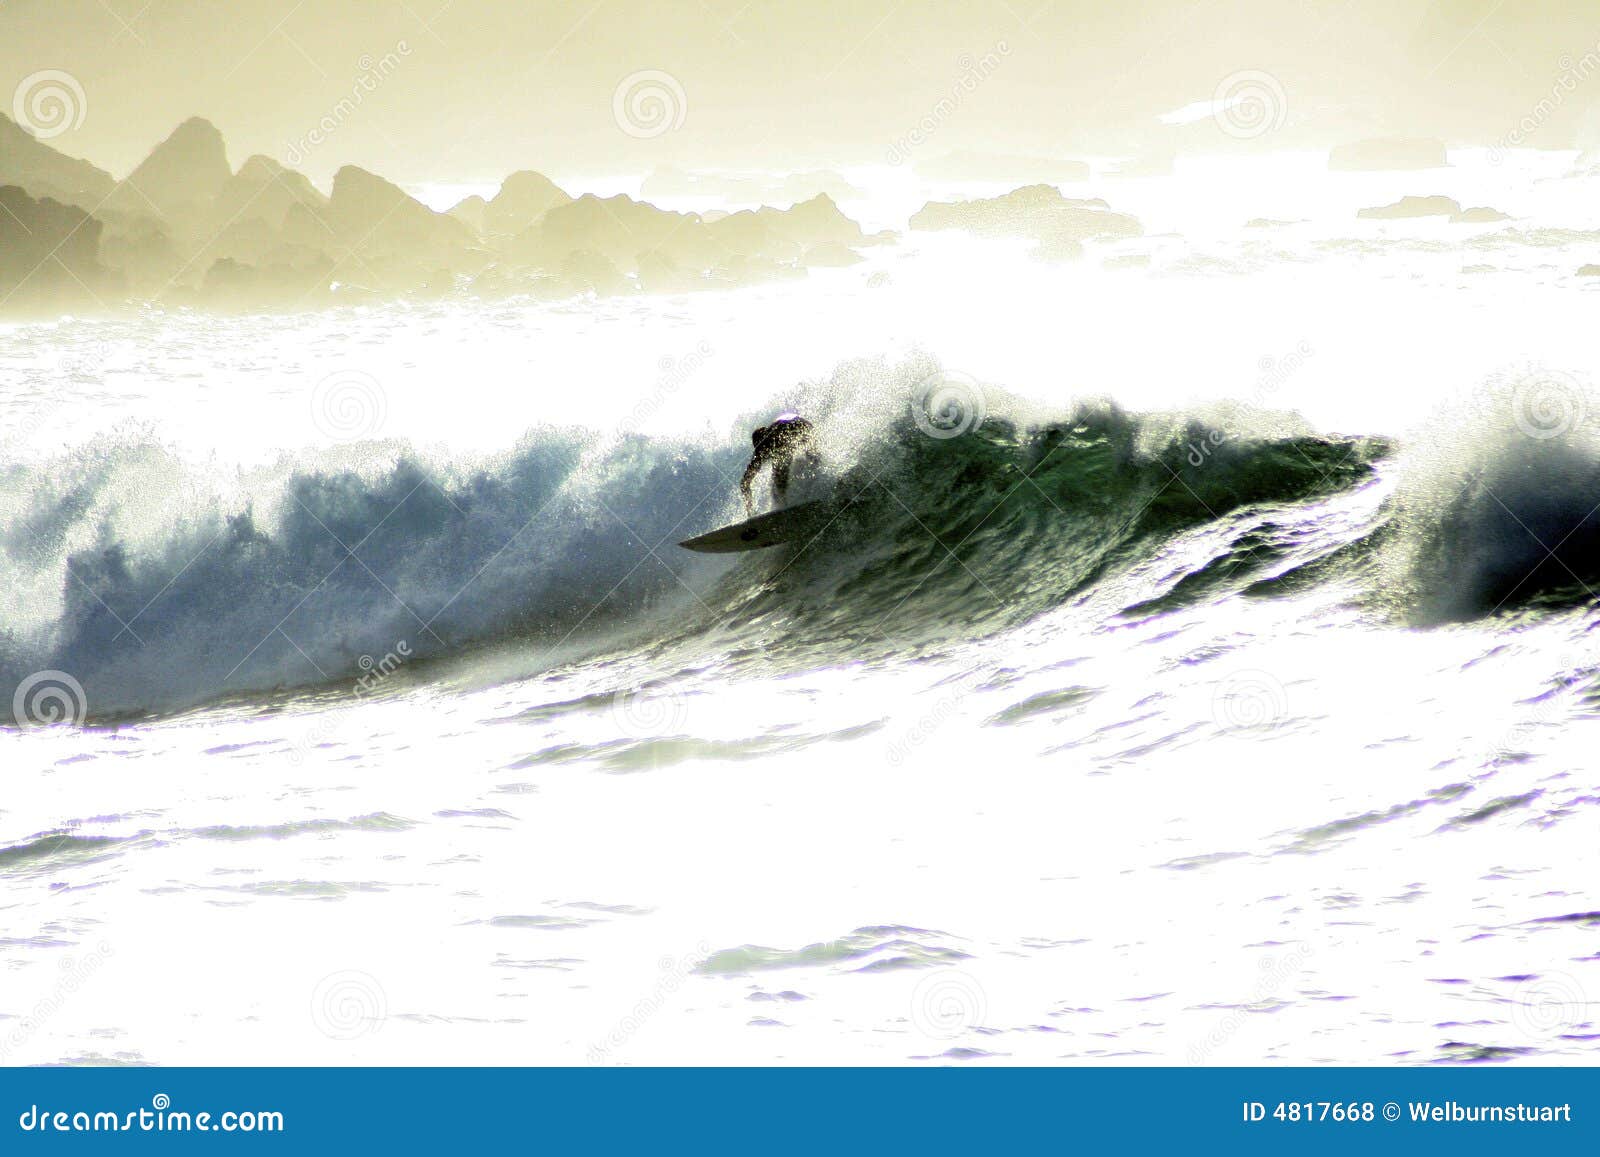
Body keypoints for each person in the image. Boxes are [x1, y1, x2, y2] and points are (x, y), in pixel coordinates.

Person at [741, 412, 816, 516]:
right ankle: (810, 492)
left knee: (779, 479)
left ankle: (784, 507)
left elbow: (745, 482)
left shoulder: (766, 444)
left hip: (796, 427)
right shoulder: (769, 441)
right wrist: (750, 509)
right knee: (812, 460)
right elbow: (744, 483)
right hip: (805, 426)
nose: (765, 453)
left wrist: (750, 510)